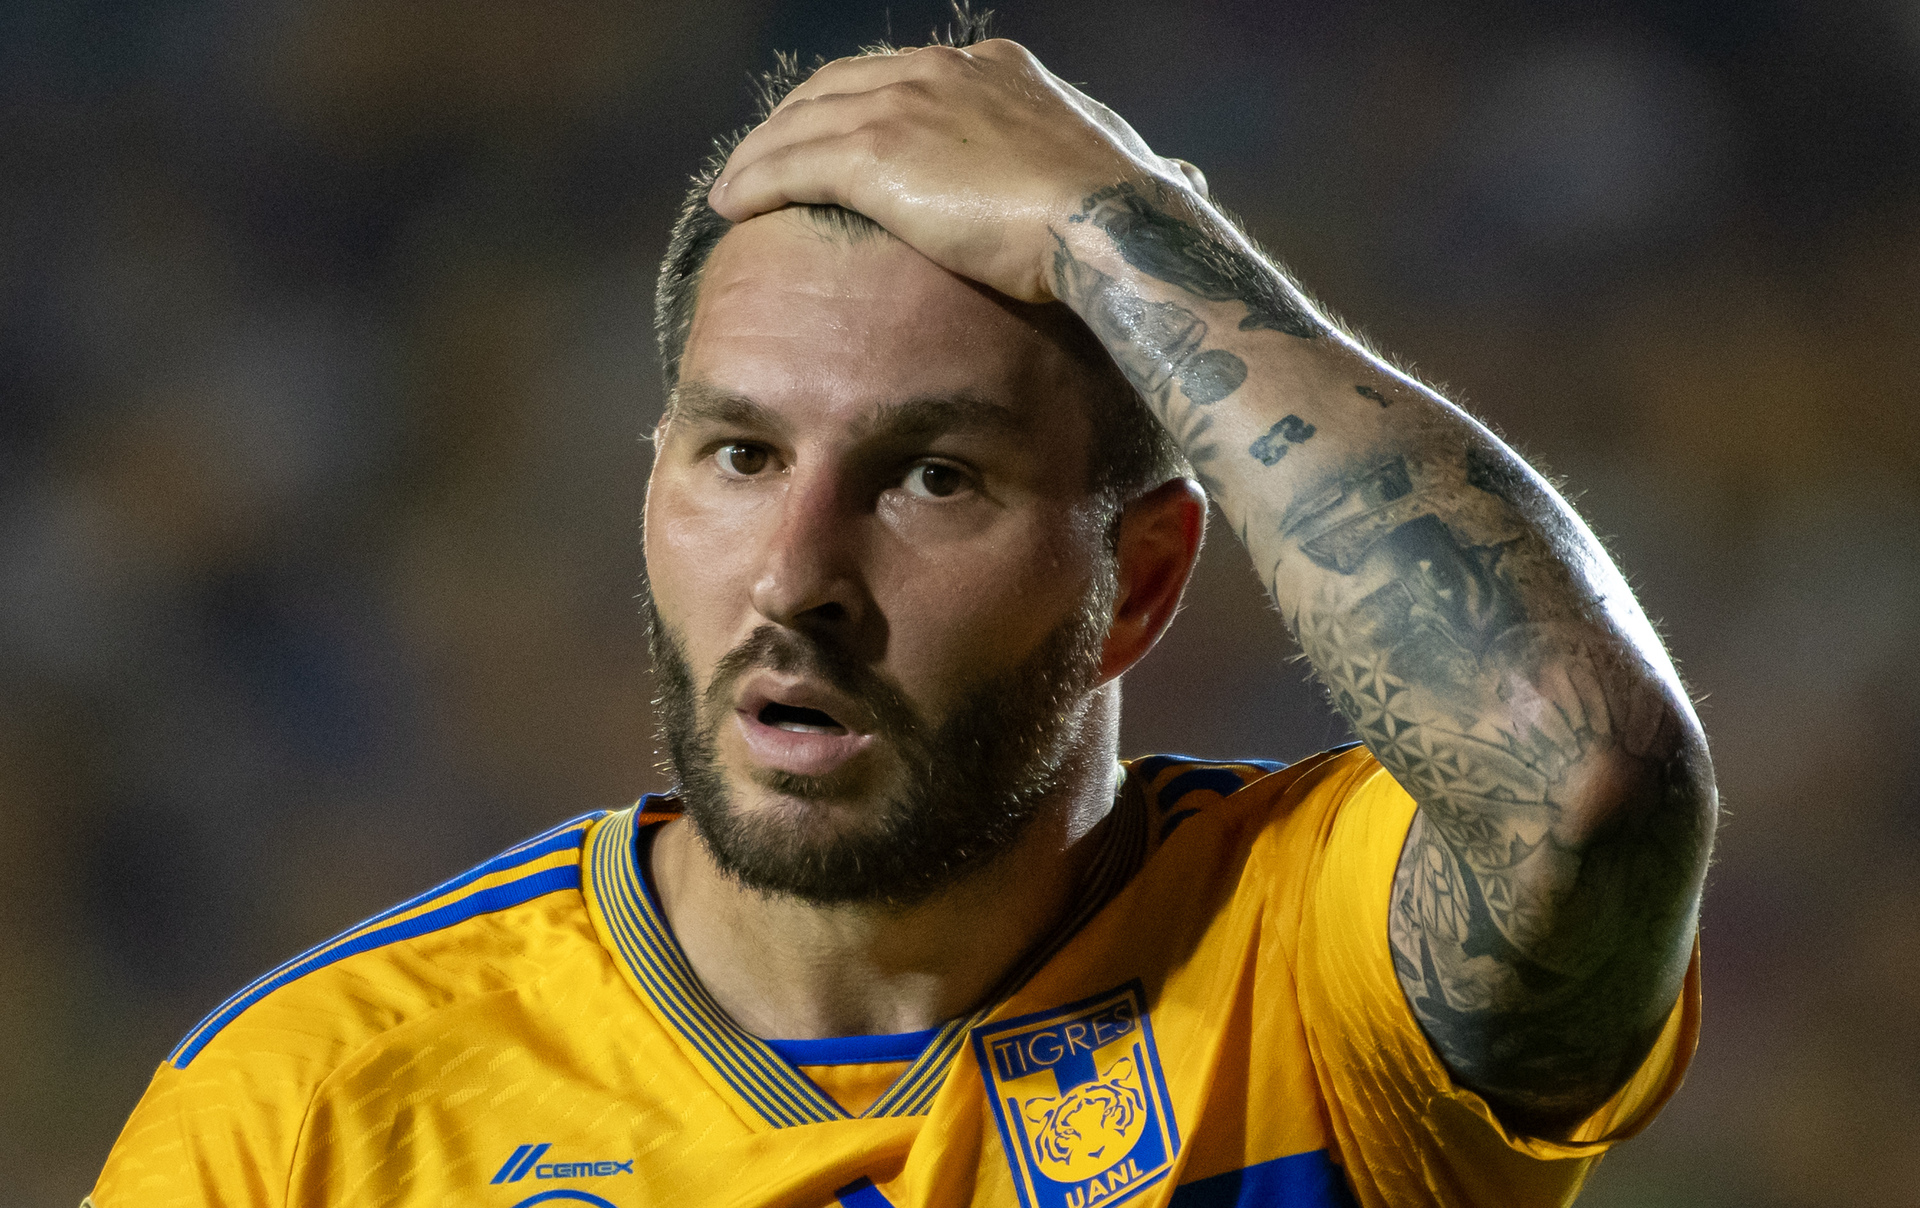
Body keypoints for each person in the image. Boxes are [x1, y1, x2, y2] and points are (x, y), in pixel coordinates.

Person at [87, 23, 1714, 1208]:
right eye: (740, 454)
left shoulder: (1313, 975)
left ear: (1139, 577)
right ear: (648, 492)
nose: (797, 576)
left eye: (932, 478)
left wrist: (1117, 230)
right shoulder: (311, 1118)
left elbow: (1579, 778)